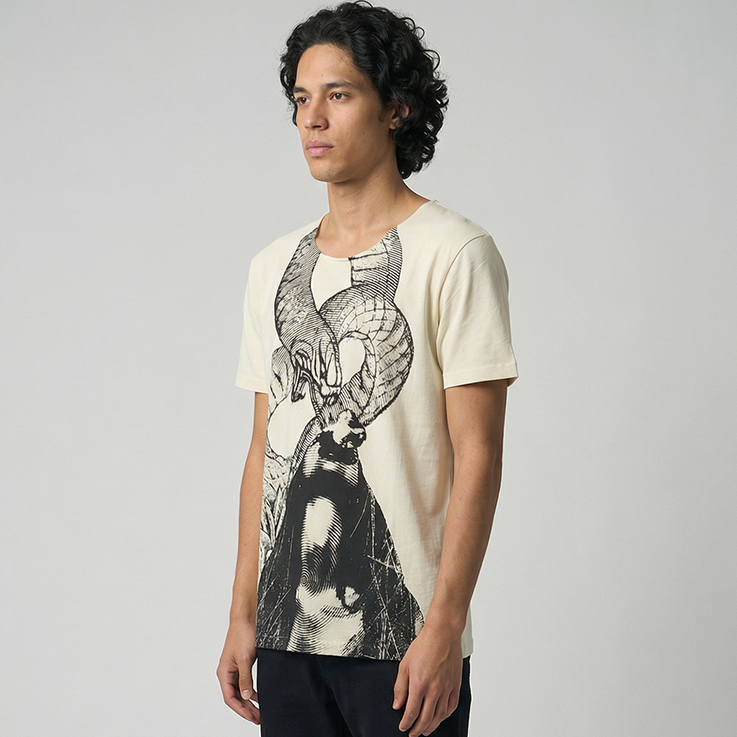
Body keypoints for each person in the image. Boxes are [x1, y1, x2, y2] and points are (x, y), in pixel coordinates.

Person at [216, 2, 518, 735]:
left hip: (402, 640)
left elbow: (478, 452)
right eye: (301, 99)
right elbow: (263, 451)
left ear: (396, 109)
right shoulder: (271, 267)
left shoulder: (455, 253)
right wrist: (241, 613)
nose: (312, 119)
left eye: (339, 94)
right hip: (286, 636)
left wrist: (444, 626)